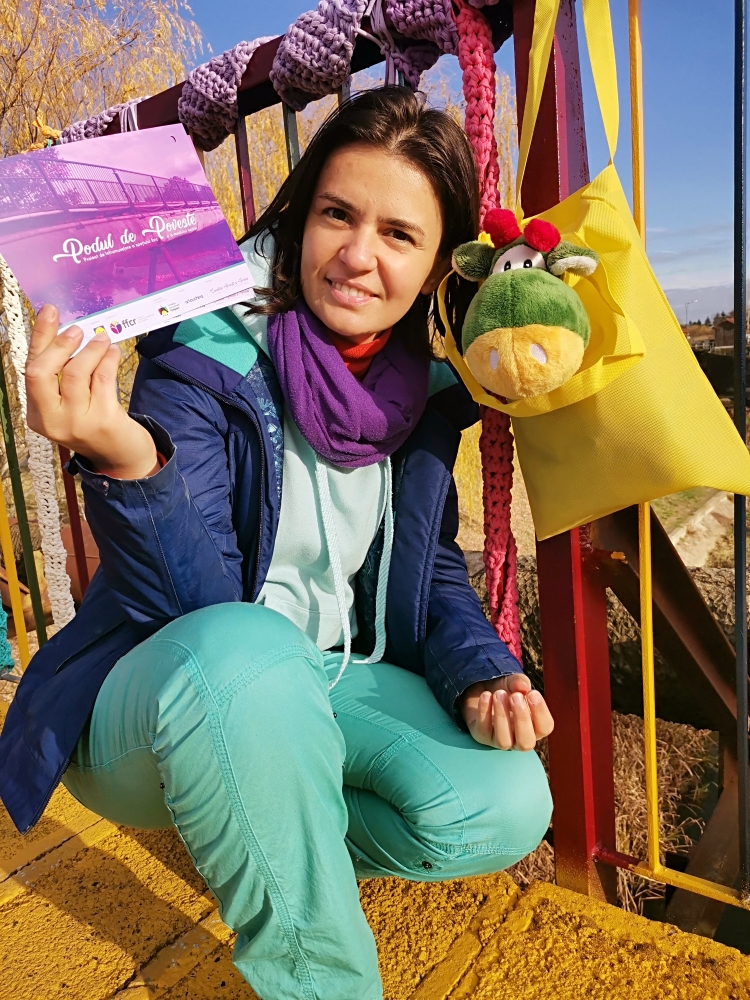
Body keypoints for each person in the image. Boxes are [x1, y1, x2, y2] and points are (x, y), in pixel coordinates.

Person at [0, 88, 553, 1000]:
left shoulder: (420, 393)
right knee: (247, 651)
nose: (358, 255)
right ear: (301, 219)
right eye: (337, 214)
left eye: (399, 234)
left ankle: (257, 829)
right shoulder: (203, 346)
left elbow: (431, 568)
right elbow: (196, 609)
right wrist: (129, 459)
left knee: (508, 804)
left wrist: (482, 670)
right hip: (159, 690)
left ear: (434, 267)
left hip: (323, 676)